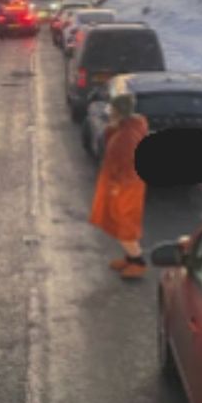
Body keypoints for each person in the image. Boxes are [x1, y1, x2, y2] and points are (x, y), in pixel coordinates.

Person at [89, 93, 150, 279]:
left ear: (117, 111)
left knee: (125, 227)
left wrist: (115, 188)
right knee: (121, 224)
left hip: (125, 188)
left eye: (112, 109)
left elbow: (124, 165)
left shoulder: (126, 137)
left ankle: (138, 262)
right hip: (127, 186)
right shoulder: (130, 127)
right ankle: (130, 258)